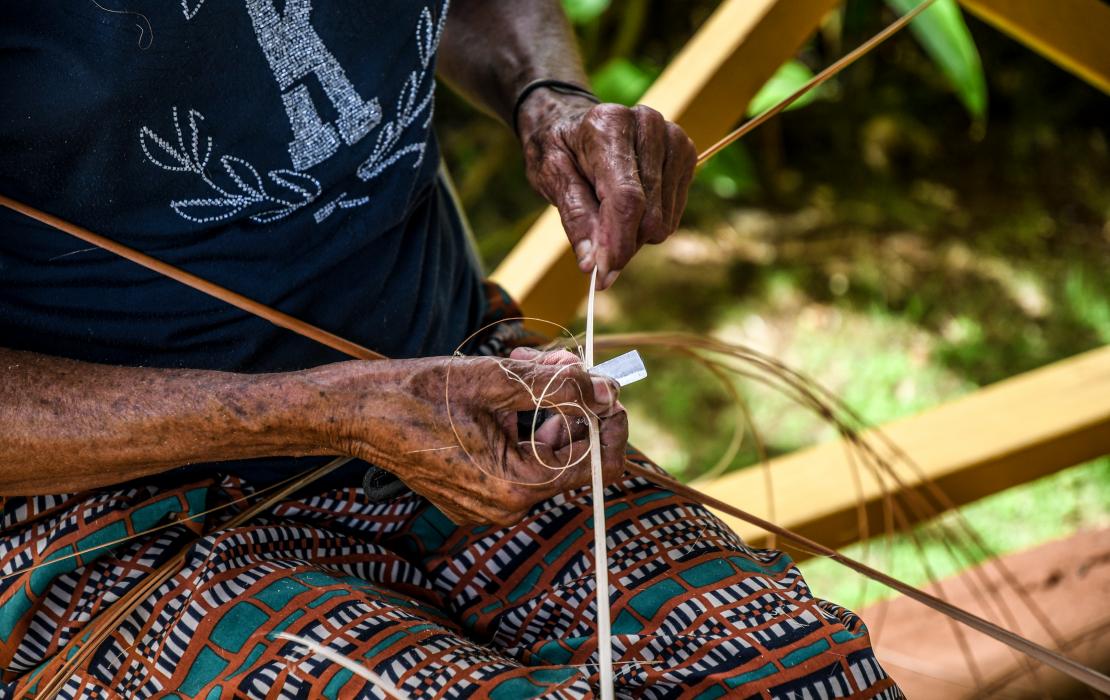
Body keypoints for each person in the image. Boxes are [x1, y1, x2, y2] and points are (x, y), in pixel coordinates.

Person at [0, 2, 901, 697]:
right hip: (115, 508)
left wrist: (546, 93)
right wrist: (337, 412)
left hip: (471, 389)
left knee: (811, 676)